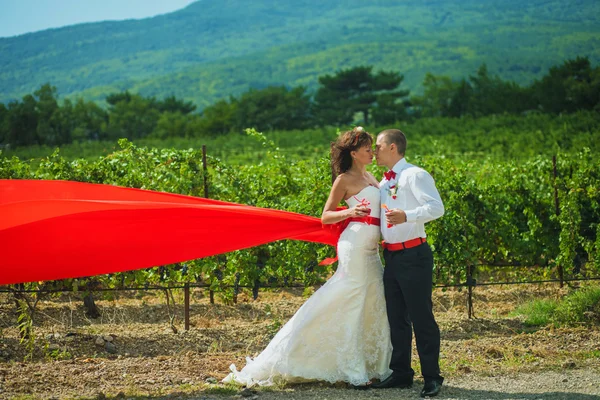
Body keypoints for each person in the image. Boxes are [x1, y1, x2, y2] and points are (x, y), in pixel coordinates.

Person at [223, 127, 393, 387]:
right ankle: (350, 368)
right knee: (352, 298)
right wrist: (349, 213)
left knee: (373, 299)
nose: (372, 151)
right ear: (354, 153)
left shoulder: (370, 175)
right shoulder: (343, 180)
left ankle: (373, 364)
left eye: (372, 147)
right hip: (355, 244)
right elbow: (326, 215)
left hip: (372, 249)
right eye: (368, 147)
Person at [371, 128, 445, 397]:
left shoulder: (416, 174)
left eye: (378, 146)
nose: (374, 151)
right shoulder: (382, 182)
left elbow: (437, 208)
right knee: (397, 318)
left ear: (393, 147)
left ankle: (432, 377)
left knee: (421, 317)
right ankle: (401, 373)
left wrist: (408, 215)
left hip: (414, 255)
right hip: (391, 256)